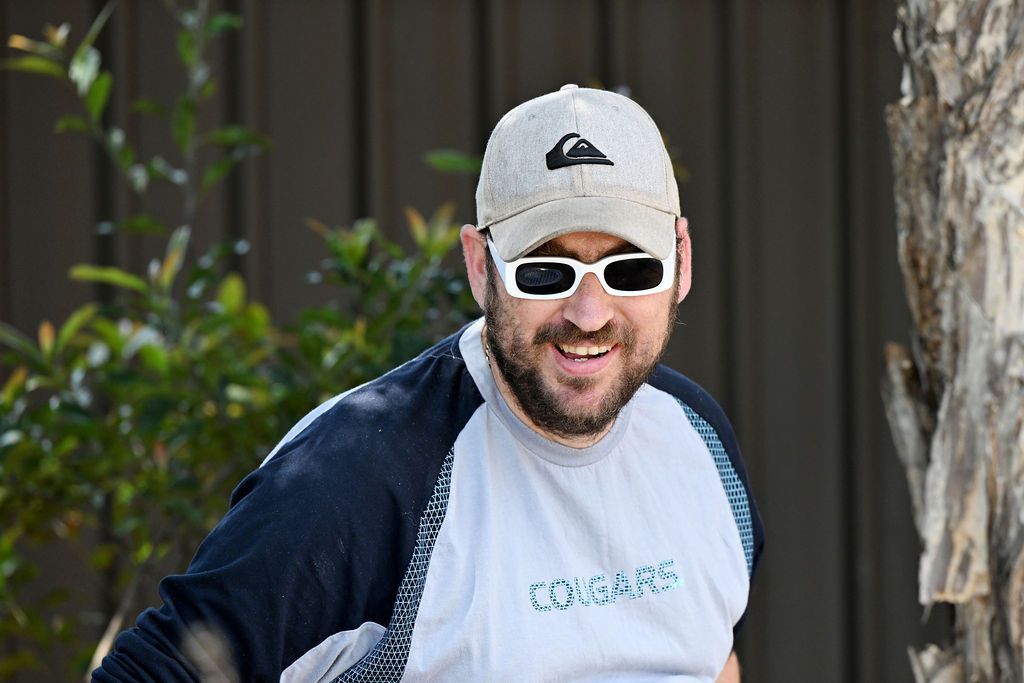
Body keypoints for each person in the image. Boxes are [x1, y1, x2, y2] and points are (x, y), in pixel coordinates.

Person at [94, 84, 764, 682]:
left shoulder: (699, 441)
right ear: (479, 266)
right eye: (543, 272)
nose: (589, 314)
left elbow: (714, 659)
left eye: (631, 269)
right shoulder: (359, 477)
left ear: (681, 261)